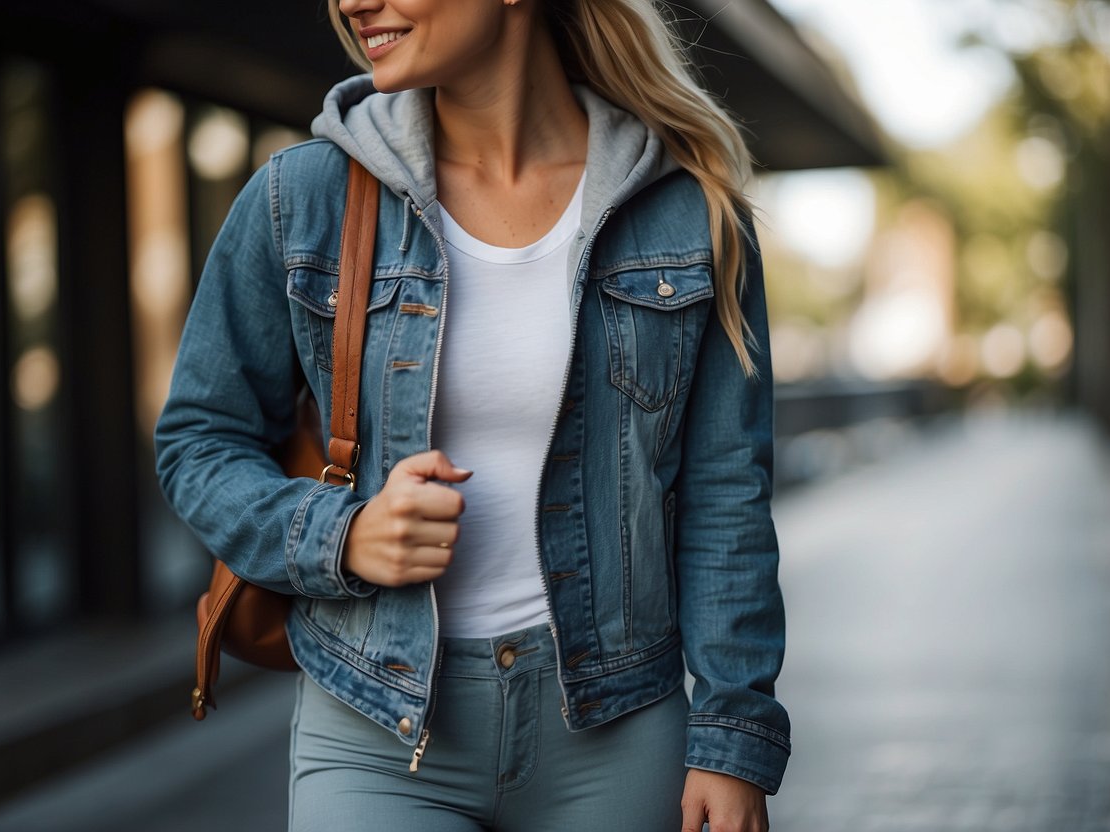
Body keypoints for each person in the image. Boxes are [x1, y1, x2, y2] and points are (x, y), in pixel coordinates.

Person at [156, 0, 790, 829]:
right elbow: (198, 442)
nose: (352, 2)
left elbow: (723, 492)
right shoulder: (300, 197)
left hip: (617, 730)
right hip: (373, 728)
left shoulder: (686, 208)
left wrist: (730, 737)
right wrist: (341, 534)